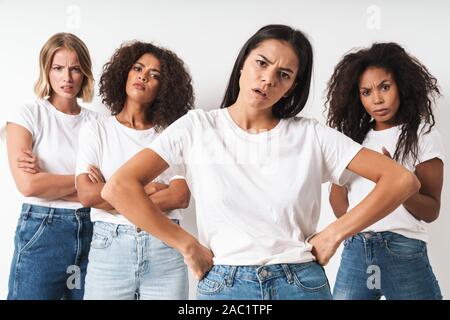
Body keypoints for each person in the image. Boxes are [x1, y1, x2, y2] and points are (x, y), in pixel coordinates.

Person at [101, 25, 420, 300]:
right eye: (261, 64)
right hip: (225, 285)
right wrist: (185, 244)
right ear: (243, 64)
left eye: (283, 74)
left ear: (291, 86)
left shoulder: (311, 135)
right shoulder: (197, 128)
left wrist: (334, 233)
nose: (267, 79)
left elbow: (401, 180)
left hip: (301, 284)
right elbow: (119, 187)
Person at [76, 41, 194, 300]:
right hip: (110, 247)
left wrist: (118, 192)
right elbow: (86, 195)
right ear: (124, 74)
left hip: (165, 247)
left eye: (155, 75)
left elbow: (179, 197)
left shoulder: (170, 135)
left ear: (164, 88)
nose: (143, 76)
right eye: (138, 68)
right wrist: (150, 188)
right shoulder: (97, 130)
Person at [326, 42, 443, 300]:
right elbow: (339, 208)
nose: (377, 99)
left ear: (402, 85)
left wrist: (399, 181)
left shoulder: (422, 135)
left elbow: (431, 210)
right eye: (366, 92)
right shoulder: (353, 140)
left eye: (385, 87)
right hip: (356, 249)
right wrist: (338, 178)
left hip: (402, 249)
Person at [6, 33, 101, 299]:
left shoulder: (97, 124)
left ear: (85, 73)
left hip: (93, 228)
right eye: (58, 68)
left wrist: (50, 181)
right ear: (46, 70)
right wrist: (84, 183)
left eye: (75, 69)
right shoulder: (27, 115)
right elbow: (28, 185)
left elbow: (106, 190)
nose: (67, 78)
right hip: (43, 229)